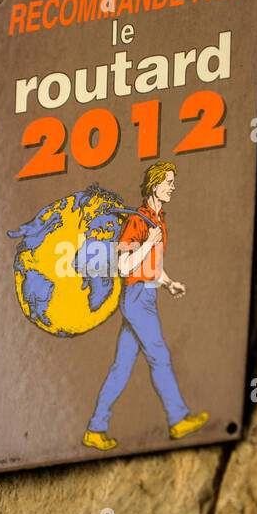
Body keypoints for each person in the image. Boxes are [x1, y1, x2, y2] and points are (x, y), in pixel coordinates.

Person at [83, 162, 208, 450]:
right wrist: (147, 243)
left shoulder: (158, 219)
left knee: (121, 367)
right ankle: (178, 420)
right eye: (169, 182)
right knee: (160, 356)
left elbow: (152, 265)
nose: (173, 187)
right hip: (137, 297)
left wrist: (168, 283)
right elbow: (125, 267)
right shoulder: (138, 222)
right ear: (154, 185)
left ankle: (95, 428)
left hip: (147, 293)